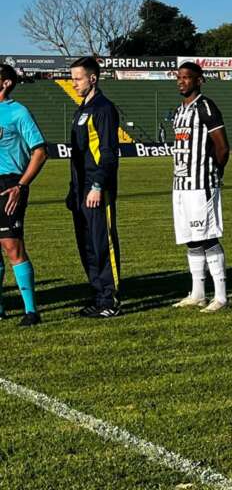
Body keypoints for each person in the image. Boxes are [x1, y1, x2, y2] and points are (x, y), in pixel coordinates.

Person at [170, 62, 231, 312]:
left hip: (201, 184)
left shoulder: (206, 106)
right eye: (179, 77)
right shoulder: (179, 110)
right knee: (191, 239)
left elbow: (222, 147)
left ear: (199, 80)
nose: (181, 81)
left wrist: (215, 172)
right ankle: (198, 293)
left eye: (187, 77)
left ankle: (222, 296)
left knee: (207, 237)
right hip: (181, 185)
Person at [67, 56, 123, 318]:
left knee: (103, 243)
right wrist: (73, 189)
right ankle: (98, 296)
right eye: (72, 79)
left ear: (93, 78)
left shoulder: (103, 109)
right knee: (87, 245)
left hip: (97, 189)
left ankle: (110, 300)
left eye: (78, 78)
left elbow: (109, 154)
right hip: (81, 190)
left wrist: (98, 185)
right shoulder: (81, 109)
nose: (74, 83)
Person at [0, 64, 47, 327]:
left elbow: (39, 152)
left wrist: (20, 185)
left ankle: (31, 311)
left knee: (12, 246)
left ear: (6, 83)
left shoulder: (18, 112)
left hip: (8, 184)